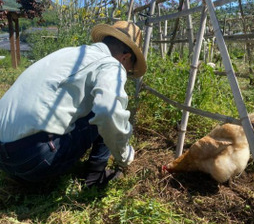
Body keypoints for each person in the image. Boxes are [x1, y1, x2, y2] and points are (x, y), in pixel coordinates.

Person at [0, 21, 147, 188]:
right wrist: (124, 156)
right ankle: (95, 177)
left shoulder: (70, 53)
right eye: (129, 69)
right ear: (125, 57)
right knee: (102, 110)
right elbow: (108, 112)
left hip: (3, 157)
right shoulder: (112, 64)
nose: (126, 72)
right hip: (34, 160)